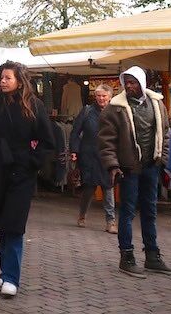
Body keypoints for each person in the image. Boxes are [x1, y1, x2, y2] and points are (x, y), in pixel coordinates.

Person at [0, 61, 55, 297]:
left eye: (7, 78)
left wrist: (32, 162)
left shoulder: (34, 105)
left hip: (22, 172)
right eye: (1, 77)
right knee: (2, 221)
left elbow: (47, 141)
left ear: (19, 80)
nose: (3, 81)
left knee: (13, 223)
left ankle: (12, 277)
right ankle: (4, 273)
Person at [99, 66, 171, 278]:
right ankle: (126, 257)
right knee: (127, 212)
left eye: (133, 82)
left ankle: (152, 256)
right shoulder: (115, 108)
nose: (129, 85)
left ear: (142, 83)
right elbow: (106, 141)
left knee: (150, 211)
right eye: (126, 82)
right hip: (129, 168)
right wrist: (113, 165)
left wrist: (162, 159)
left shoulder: (157, 104)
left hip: (151, 166)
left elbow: (166, 132)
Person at [71, 84, 117, 234]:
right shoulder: (87, 111)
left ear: (110, 97)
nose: (101, 98)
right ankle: (82, 215)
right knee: (88, 189)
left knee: (108, 187)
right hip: (89, 156)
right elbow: (75, 132)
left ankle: (110, 221)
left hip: (107, 156)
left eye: (104, 96)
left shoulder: (116, 112)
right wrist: (74, 150)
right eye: (98, 95)